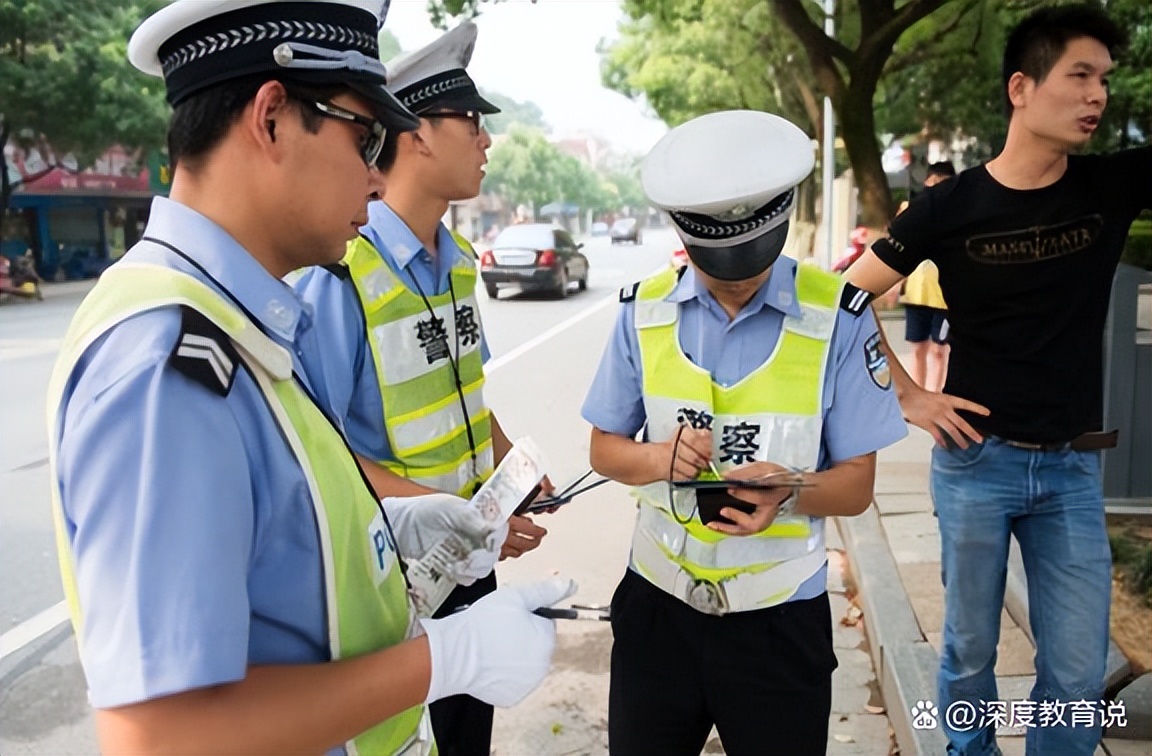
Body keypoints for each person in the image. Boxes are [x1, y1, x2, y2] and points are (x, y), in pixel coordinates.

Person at [45, 2, 574, 754]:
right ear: (270, 119)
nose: (376, 178)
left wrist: (388, 524)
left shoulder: (240, 318)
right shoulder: (168, 361)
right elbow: (162, 735)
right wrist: (447, 659)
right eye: (364, 140)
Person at [844, 5, 1152, 755]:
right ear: (1022, 87)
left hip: (1071, 469)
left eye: (1104, 80)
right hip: (976, 463)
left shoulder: (1112, 185)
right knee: (968, 652)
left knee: (1076, 669)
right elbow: (846, 300)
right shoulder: (949, 207)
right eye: (1079, 75)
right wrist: (910, 396)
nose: (1097, 95)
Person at [582, 110, 907, 755]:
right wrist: (659, 458)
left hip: (778, 626)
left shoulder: (837, 319)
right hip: (658, 615)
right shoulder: (641, 313)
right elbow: (604, 450)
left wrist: (788, 491)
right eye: (719, 266)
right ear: (685, 234)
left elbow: (855, 488)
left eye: (752, 263)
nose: (737, 282)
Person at [291, 21, 549, 756]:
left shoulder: (460, 261)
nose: (487, 140)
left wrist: (515, 480)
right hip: (395, 575)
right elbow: (320, 452)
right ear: (416, 134)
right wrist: (460, 521)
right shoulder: (340, 273)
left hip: (471, 561)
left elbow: (467, 393)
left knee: (466, 739)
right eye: (471, 121)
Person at [899, 160, 957, 392]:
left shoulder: (958, 215)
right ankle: (919, 393)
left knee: (939, 350)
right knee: (917, 349)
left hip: (944, 297)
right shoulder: (912, 210)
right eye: (933, 184)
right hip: (916, 294)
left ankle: (936, 394)